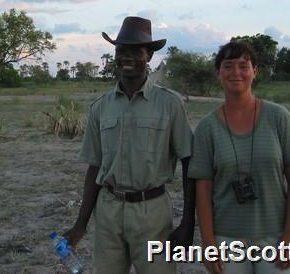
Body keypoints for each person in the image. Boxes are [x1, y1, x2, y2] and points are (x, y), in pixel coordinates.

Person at [64, 16, 196, 274]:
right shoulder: (101, 107)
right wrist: (81, 224)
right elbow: (95, 167)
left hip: (153, 213)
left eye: (136, 51)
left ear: (148, 56)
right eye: (121, 50)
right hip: (108, 211)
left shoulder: (170, 103)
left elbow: (189, 161)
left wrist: (188, 223)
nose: (127, 57)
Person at [188, 40, 290, 274]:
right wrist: (208, 242)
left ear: (255, 71)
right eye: (228, 65)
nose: (236, 72)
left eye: (244, 65)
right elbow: (203, 189)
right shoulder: (206, 128)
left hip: (275, 235)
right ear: (218, 73)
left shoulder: (278, 117)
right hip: (226, 239)